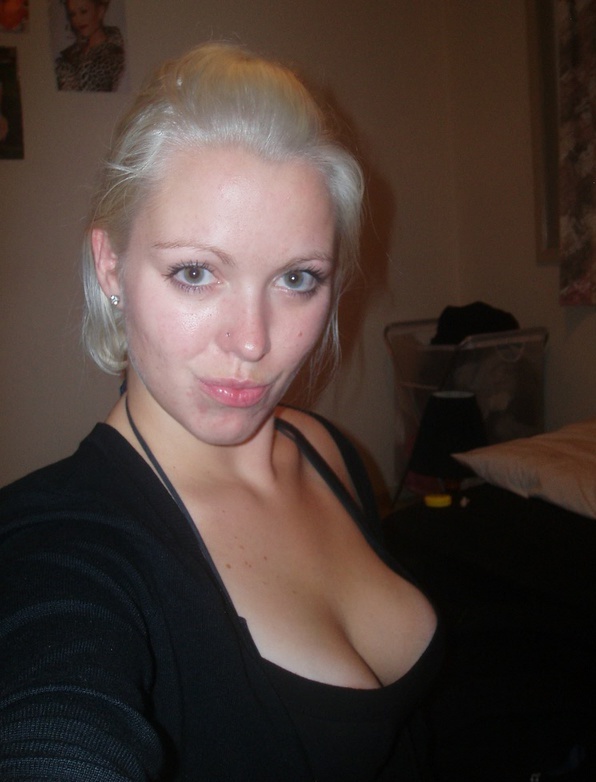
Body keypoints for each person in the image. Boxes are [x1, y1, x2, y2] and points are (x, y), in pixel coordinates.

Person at [0, 43, 441, 780]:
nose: (253, 341)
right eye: (196, 272)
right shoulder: (58, 540)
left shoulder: (326, 450)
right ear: (110, 266)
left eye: (297, 279)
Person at [55, 0, 124, 92]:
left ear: (100, 11)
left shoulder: (116, 58)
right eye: (72, 14)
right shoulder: (67, 59)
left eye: (83, 11)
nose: (78, 20)